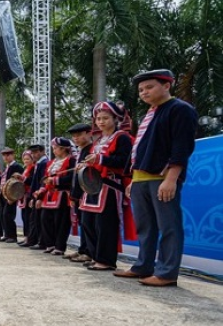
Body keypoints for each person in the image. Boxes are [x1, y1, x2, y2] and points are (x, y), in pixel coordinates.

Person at [113, 69, 197, 287]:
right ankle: (143, 266)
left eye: (149, 87)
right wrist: (133, 179)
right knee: (145, 226)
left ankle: (167, 273)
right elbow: (141, 149)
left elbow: (182, 145)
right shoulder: (150, 113)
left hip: (162, 178)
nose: (144, 92)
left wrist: (171, 178)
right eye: (141, 89)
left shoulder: (180, 109)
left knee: (169, 225)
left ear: (167, 85)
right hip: (140, 179)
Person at [79, 102, 134, 271]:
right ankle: (95, 255)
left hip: (110, 186)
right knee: (88, 222)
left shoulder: (122, 137)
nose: (101, 122)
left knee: (105, 224)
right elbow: (94, 161)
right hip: (93, 186)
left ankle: (106, 260)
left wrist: (100, 160)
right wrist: (85, 165)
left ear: (115, 119)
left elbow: (125, 162)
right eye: (98, 118)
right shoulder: (99, 140)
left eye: (105, 118)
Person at [34, 137, 76, 255]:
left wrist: (55, 180)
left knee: (61, 221)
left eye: (56, 148)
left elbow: (72, 177)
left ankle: (60, 246)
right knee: (45, 219)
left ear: (64, 149)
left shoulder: (71, 161)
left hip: (62, 194)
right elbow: (44, 180)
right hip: (49, 195)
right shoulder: (51, 163)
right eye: (53, 148)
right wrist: (40, 196)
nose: (54, 150)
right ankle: (50, 244)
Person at [65, 122, 94, 264]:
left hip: (87, 192)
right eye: (74, 136)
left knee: (88, 224)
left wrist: (76, 195)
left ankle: (89, 252)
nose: (76, 138)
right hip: (78, 193)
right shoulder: (81, 150)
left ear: (89, 133)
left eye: (80, 135)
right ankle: (83, 249)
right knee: (83, 223)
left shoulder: (91, 150)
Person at [24, 144, 48, 248]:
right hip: (35, 195)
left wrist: (39, 197)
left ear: (42, 152)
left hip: (40, 194)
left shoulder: (45, 163)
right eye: (32, 153)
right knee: (33, 219)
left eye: (36, 152)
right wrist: (32, 197)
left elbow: (42, 182)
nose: (34, 155)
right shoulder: (39, 163)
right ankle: (32, 239)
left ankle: (41, 241)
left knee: (39, 220)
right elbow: (34, 183)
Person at [0, 147, 24, 243]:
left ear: (13, 155)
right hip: (3, 194)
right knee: (2, 215)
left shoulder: (17, 167)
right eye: (4, 155)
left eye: (8, 155)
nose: (6, 157)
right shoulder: (7, 167)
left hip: (11, 195)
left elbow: (18, 183)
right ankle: (7, 234)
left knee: (8, 214)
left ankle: (12, 236)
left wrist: (13, 196)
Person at [16, 151, 34, 246]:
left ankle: (30, 238)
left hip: (29, 195)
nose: (26, 161)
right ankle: (26, 236)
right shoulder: (25, 169)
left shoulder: (33, 169)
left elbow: (31, 181)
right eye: (24, 159)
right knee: (24, 217)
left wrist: (22, 178)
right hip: (24, 196)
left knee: (28, 218)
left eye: (28, 159)